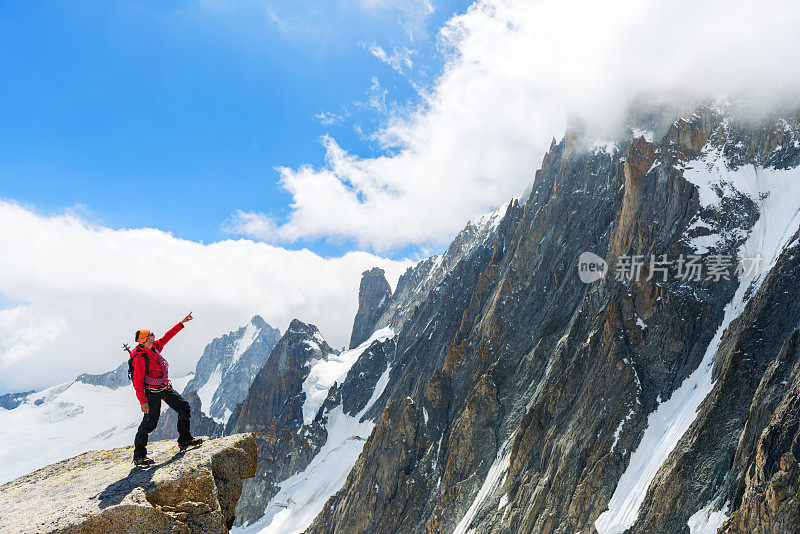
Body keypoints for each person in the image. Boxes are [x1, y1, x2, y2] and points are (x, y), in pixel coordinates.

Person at [131, 311, 203, 465]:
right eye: (150, 340)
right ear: (143, 342)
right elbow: (137, 382)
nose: (154, 341)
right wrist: (142, 402)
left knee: (184, 407)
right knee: (149, 423)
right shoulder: (139, 358)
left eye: (153, 339)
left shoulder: (153, 348)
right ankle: (139, 456)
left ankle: (184, 440)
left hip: (163, 387)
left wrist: (181, 323)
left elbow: (166, 337)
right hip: (151, 392)